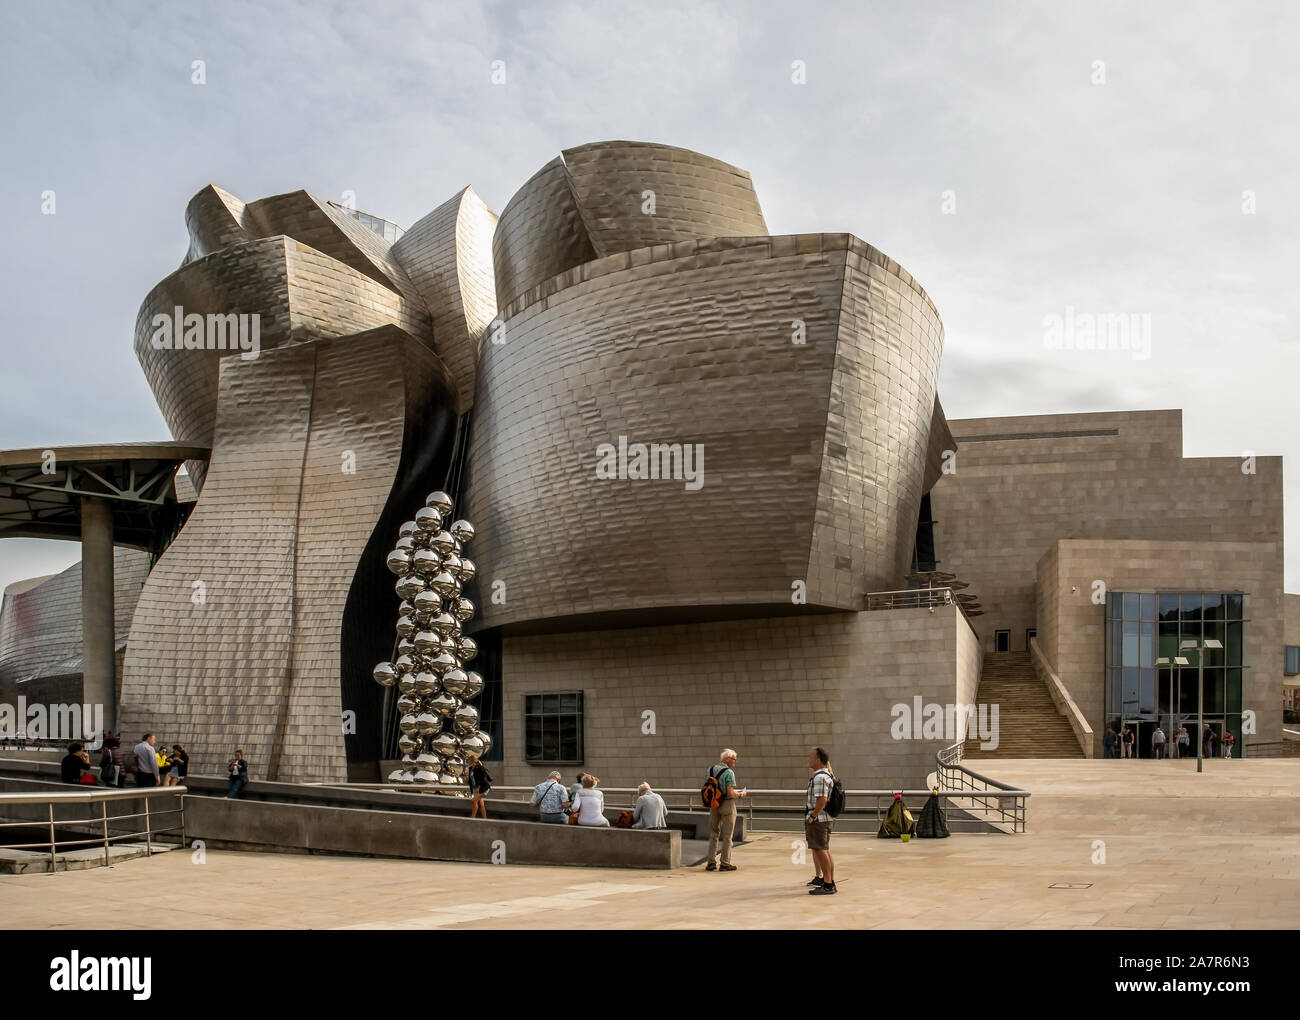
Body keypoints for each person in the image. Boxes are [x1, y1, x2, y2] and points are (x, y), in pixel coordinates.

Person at [705, 748, 748, 872]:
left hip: (713, 804)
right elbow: (729, 793)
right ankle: (725, 863)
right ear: (727, 759)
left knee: (713, 834)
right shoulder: (729, 773)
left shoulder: (710, 770)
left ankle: (711, 863)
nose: (735, 761)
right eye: (734, 759)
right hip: (727, 805)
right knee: (727, 836)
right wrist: (741, 794)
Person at [806, 747, 837, 895]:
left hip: (819, 819)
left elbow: (822, 799)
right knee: (824, 850)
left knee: (820, 850)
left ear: (818, 760)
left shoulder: (819, 777)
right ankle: (829, 880)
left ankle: (828, 884)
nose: (809, 759)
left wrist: (812, 816)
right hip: (824, 818)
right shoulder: (825, 775)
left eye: (811, 757)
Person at [467, 753, 492, 818]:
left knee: (474, 801)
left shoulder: (479, 768)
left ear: (472, 761)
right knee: (480, 804)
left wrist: (479, 787)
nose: (468, 762)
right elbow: (470, 781)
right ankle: (485, 818)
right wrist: (472, 792)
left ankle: (472, 818)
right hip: (477, 788)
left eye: (469, 761)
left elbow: (483, 778)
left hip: (484, 787)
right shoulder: (470, 769)